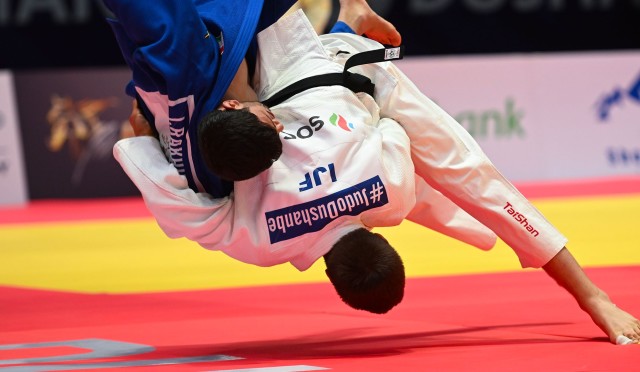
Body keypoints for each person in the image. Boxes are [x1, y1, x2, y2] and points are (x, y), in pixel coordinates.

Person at [115, 9, 640, 345]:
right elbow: (172, 196)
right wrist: (145, 132)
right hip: (261, 87)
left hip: (338, 77)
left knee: (468, 181)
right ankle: (342, 22)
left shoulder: (389, 196)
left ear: (377, 236)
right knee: (464, 187)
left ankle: (344, 19)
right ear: (326, 274)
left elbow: (395, 133)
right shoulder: (257, 241)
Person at [103, 0, 401, 197]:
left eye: (269, 122)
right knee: (297, 87)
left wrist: (143, 142)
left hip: (180, 72)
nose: (279, 126)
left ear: (231, 107)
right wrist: (144, 141)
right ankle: (351, 18)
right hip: (201, 78)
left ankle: (350, 19)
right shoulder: (218, 180)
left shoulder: (182, 56)